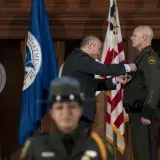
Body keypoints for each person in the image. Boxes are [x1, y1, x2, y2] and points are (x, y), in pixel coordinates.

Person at [20, 76, 114, 160]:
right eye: (60, 108)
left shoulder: (99, 146)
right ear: (52, 112)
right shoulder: (35, 147)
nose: (66, 113)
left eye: (72, 107)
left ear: (81, 109)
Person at [61, 35, 137, 130]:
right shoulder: (79, 58)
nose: (99, 52)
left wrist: (115, 80)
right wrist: (127, 67)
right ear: (90, 45)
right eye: (98, 49)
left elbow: (92, 84)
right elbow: (102, 69)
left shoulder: (78, 58)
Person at [123, 26, 160, 160]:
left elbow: (155, 86)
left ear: (144, 37)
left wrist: (148, 112)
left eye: (134, 35)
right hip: (137, 113)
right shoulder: (140, 57)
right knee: (140, 153)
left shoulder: (150, 58)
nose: (132, 38)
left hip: (144, 114)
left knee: (146, 154)